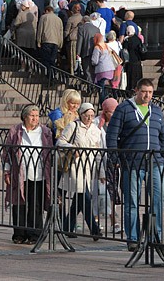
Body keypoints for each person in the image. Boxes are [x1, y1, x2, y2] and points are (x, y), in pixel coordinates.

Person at [105, 78, 164, 251]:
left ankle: (155, 234)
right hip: (132, 163)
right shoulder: (124, 109)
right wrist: (115, 159)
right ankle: (132, 237)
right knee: (131, 201)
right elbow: (112, 136)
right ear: (136, 91)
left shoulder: (157, 111)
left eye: (150, 92)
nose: (147, 95)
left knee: (159, 199)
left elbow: (163, 139)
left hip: (155, 163)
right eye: (144, 92)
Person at [3, 104, 53, 245]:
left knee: (35, 204)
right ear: (25, 117)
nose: (35, 118)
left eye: (37, 116)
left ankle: (35, 234)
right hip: (20, 172)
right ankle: (19, 234)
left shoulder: (45, 131)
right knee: (19, 203)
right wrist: (7, 171)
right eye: (32, 116)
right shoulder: (16, 131)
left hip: (39, 172)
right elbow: (7, 152)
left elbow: (49, 152)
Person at [57, 101, 102, 237]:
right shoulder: (73, 126)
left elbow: (99, 151)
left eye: (92, 115)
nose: (89, 118)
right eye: (86, 115)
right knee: (84, 195)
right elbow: (61, 141)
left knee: (79, 198)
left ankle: (67, 227)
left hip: (89, 166)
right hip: (75, 166)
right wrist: (72, 148)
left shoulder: (96, 130)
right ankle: (94, 230)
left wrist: (102, 171)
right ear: (81, 115)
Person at [98, 98, 121, 234]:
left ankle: (114, 222)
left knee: (112, 193)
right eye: (109, 112)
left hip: (114, 163)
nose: (112, 115)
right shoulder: (98, 124)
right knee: (99, 194)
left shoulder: (120, 123)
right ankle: (97, 222)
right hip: (100, 162)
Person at [37, 5, 63, 72]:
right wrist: (60, 44)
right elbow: (60, 32)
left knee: (46, 59)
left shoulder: (43, 17)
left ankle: (50, 75)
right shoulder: (59, 19)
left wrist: (38, 41)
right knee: (52, 59)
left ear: (46, 11)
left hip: (46, 40)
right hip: (56, 42)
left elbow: (40, 29)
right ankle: (53, 74)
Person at [77, 13, 101, 80]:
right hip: (95, 50)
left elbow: (80, 41)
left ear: (83, 21)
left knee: (87, 69)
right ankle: (93, 84)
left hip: (85, 51)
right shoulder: (97, 29)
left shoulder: (81, 28)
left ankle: (89, 86)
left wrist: (78, 52)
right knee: (93, 70)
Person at [123, 25, 144, 91]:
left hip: (130, 61)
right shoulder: (138, 39)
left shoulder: (127, 40)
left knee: (131, 77)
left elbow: (125, 50)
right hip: (138, 60)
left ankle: (130, 90)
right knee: (137, 77)